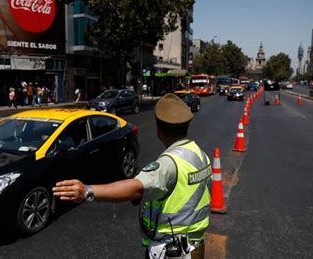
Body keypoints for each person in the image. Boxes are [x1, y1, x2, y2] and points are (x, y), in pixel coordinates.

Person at [53, 93, 212, 259]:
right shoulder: (199, 154)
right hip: (195, 245)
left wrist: (86, 191)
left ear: (159, 130)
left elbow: (136, 188)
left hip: (172, 250)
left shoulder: (168, 164)